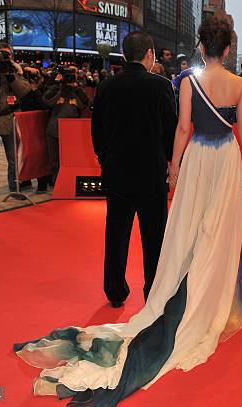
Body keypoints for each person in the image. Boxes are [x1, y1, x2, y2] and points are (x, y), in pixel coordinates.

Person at [15, 18, 242, 405]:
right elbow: (216, 129)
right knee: (191, 231)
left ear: (200, 46)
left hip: (156, 165)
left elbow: (174, 129)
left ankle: (129, 290)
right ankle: (181, 291)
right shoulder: (227, 84)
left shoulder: (153, 84)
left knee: (133, 230)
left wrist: (167, 164)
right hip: (206, 162)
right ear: (227, 48)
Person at [88, 34, 178, 308]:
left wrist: (106, 160)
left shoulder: (106, 86)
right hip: (151, 173)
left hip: (117, 172)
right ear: (150, 54)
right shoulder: (161, 86)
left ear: (124, 55)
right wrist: (169, 162)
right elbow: (170, 131)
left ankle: (115, 291)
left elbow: (97, 131)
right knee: (155, 237)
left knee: (116, 234)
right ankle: (153, 291)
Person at [0, 42, 31, 195]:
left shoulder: (14, 71)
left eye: (6, 55)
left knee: (13, 159)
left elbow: (24, 91)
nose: (3, 58)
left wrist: (11, 75)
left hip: (9, 119)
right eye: (0, 55)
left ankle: (14, 188)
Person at [42, 66, 89, 184]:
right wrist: (57, 84)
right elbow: (46, 100)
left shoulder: (78, 90)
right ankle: (57, 183)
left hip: (72, 130)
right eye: (68, 74)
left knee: (71, 159)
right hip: (54, 129)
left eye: (73, 73)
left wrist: (75, 88)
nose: (70, 76)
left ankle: (70, 181)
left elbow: (85, 103)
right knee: (54, 160)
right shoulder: (56, 88)